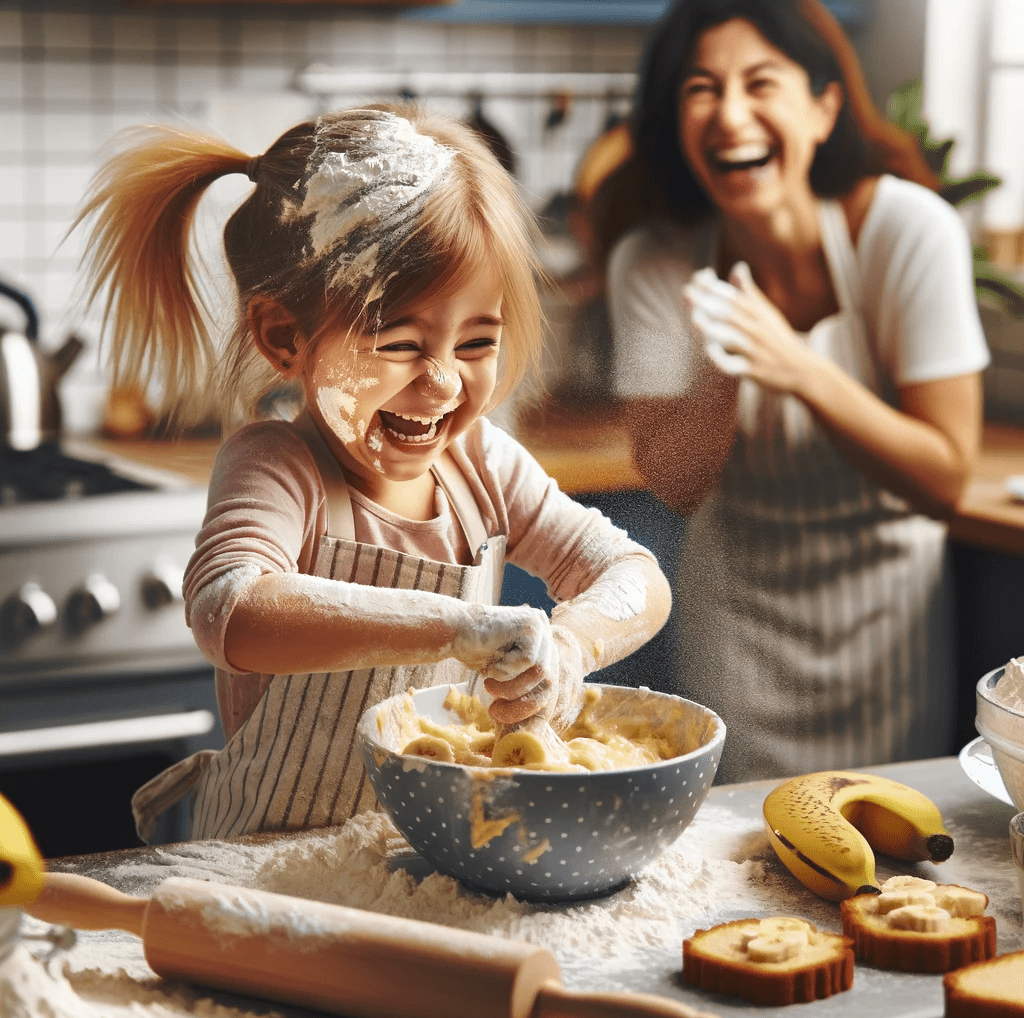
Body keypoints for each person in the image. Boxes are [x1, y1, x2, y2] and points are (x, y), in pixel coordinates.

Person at [72, 104, 672, 840]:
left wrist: (573, 647)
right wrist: (455, 629)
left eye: (477, 343)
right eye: (399, 344)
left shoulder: (481, 466)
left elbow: (633, 572)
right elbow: (229, 608)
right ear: (284, 336)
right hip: (271, 866)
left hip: (433, 853)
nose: (445, 383)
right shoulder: (280, 466)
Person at [601, 0, 989, 783]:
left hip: (888, 629)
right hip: (735, 625)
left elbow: (946, 476)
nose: (730, 113)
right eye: (700, 88)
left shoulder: (908, 233)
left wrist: (800, 367)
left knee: (887, 856)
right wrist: (724, 366)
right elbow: (675, 484)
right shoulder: (652, 261)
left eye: (760, 82)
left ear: (823, 107)